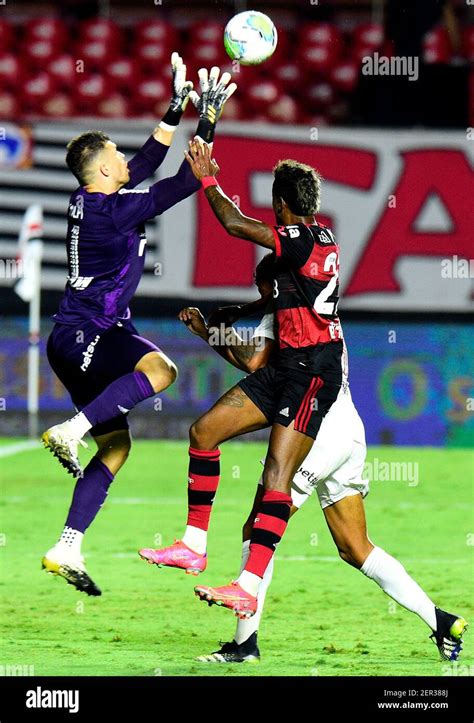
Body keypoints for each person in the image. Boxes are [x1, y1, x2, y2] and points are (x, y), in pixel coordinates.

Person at [172, 258, 467, 664]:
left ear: (272, 286)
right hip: (348, 431)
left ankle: (244, 644)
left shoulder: (286, 318)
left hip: (316, 434)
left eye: (262, 288)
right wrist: (241, 313)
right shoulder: (319, 310)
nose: (262, 295)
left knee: (259, 525)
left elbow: (254, 362)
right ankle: (440, 619)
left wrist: (209, 332)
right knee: (355, 548)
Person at [41, 59, 236, 596]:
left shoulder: (92, 200)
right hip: (91, 332)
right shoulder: (115, 213)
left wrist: (177, 106)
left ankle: (67, 545)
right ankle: (72, 430)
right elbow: (181, 182)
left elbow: (150, 162)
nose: (126, 159)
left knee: (118, 448)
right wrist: (209, 121)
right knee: (161, 367)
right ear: (103, 170)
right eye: (116, 156)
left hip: (72, 336)